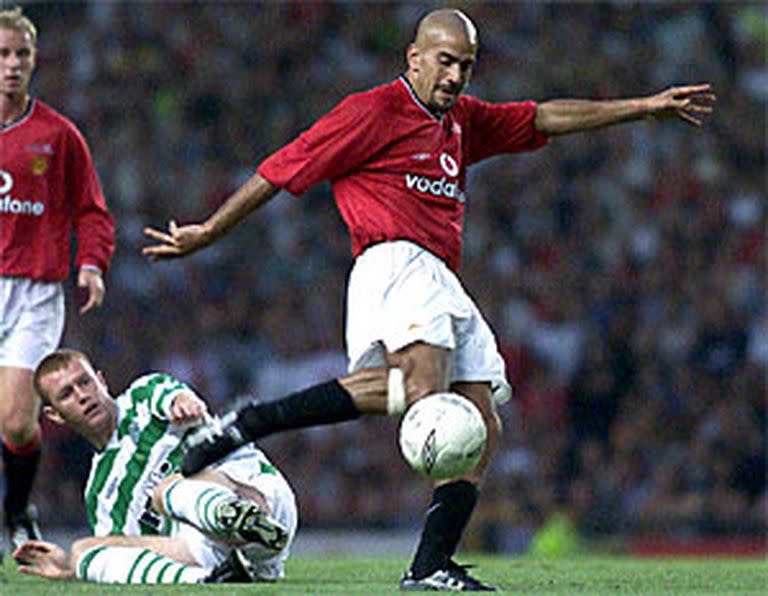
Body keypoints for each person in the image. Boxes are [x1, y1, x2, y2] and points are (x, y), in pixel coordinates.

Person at [143, 8, 715, 591]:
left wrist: (642, 107)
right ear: (413, 58)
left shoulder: (463, 120)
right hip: (394, 259)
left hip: (441, 275)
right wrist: (209, 231)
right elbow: (283, 167)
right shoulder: (371, 112)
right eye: (445, 62)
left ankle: (430, 566)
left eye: (465, 66)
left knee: (481, 419)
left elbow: (542, 115)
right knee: (420, 391)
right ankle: (249, 422)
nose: (455, 76)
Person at [13, 348, 297, 584]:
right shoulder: (100, 495)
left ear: (101, 381)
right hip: (214, 552)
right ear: (55, 416)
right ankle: (209, 580)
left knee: (167, 490)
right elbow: (138, 554)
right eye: (66, 394)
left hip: (260, 496)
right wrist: (71, 565)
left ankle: (240, 516)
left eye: (85, 382)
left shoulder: (144, 397)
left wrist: (185, 403)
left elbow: (174, 395)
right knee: (84, 552)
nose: (82, 395)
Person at [0, 6, 115, 550]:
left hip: (34, 294)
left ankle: (18, 510)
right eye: (2, 55)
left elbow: (91, 210)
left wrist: (91, 263)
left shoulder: (57, 134)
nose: (13, 65)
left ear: (35, 59)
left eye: (22, 54)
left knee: (19, 422)